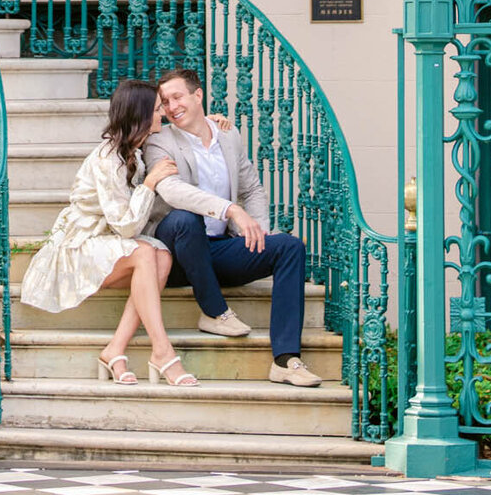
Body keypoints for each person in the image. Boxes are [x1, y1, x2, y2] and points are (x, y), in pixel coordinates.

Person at [144, 66, 322, 389]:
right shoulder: (160, 141)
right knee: (186, 218)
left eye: (177, 97)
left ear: (198, 95)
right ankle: (214, 312)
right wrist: (230, 209)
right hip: (176, 256)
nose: (171, 107)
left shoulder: (228, 134)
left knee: (289, 247)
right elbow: (171, 191)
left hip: (216, 249)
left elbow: (253, 188)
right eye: (165, 101)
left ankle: (285, 360)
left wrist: (257, 231)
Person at [19, 79, 200, 387]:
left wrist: (214, 122)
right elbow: (127, 226)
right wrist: (149, 184)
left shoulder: (136, 152)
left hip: (107, 240)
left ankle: (115, 349)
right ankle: (162, 351)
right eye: (158, 109)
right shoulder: (109, 159)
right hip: (79, 246)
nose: (164, 114)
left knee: (162, 256)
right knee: (144, 253)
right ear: (141, 115)